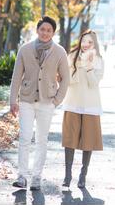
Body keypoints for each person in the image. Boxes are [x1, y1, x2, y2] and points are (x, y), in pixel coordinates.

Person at [9, 16, 70, 190]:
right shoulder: (25, 49)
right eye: (42, 29)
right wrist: (13, 100)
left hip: (47, 102)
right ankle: (21, 176)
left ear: (53, 33)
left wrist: (56, 100)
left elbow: (66, 79)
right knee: (25, 137)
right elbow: (16, 77)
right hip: (27, 100)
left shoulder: (60, 52)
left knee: (41, 140)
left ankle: (36, 177)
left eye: (49, 30)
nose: (45, 33)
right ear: (38, 30)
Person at [61, 29, 104, 189]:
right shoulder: (72, 56)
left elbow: (94, 83)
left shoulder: (99, 60)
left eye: (90, 42)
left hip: (91, 106)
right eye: (84, 41)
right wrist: (78, 65)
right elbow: (67, 80)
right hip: (72, 103)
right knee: (69, 140)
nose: (86, 45)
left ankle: (83, 175)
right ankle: (67, 175)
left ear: (95, 44)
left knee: (88, 141)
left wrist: (88, 67)